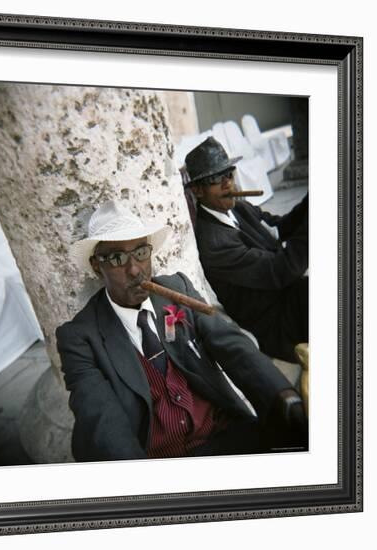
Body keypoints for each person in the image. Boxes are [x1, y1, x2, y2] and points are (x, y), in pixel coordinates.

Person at [56, 199, 306, 462]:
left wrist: (283, 395)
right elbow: (99, 417)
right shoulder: (79, 337)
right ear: (98, 266)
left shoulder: (177, 289)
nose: (135, 270)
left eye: (141, 252)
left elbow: (233, 345)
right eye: (117, 258)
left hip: (223, 434)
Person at [184, 136, 308, 364]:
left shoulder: (239, 207)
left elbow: (279, 228)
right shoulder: (214, 244)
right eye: (216, 178)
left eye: (229, 174)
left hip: (291, 297)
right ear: (198, 190)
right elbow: (281, 270)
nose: (227, 183)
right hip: (275, 324)